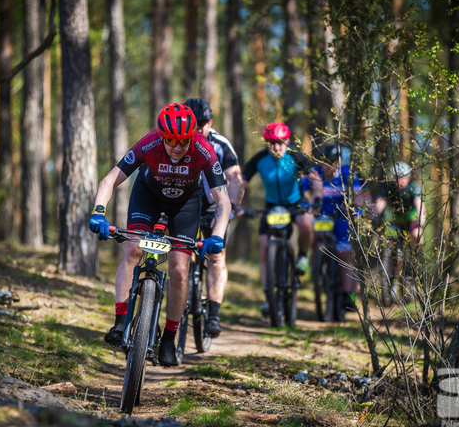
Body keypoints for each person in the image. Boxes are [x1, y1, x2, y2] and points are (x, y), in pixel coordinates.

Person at [89, 103, 232, 366]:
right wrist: (99, 212)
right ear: (161, 136)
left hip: (186, 206)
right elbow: (108, 180)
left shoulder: (203, 150)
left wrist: (218, 235)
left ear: (193, 137)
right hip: (148, 198)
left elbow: (224, 201)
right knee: (133, 250)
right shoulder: (148, 144)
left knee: (179, 270)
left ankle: (169, 337)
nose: (177, 147)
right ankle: (121, 322)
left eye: (183, 141)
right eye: (170, 141)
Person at [240, 122, 321, 315]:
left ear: (287, 141)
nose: (276, 147)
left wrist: (316, 201)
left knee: (306, 223)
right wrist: (236, 205)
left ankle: (302, 256)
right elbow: (241, 182)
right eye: (271, 143)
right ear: (266, 143)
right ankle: (269, 299)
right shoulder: (260, 158)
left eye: (280, 142)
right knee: (264, 245)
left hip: (295, 202)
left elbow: (315, 177)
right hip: (272, 205)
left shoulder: (295, 156)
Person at [183, 98, 244, 337]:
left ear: (210, 123)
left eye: (201, 124)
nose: (196, 128)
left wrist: (233, 207)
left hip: (213, 207)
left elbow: (236, 179)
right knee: (181, 254)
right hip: (185, 204)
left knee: (216, 257)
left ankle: (214, 315)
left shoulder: (220, 144)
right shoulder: (179, 139)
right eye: (192, 123)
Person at [308, 144, 368, 306]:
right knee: (315, 236)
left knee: (346, 252)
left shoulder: (348, 174)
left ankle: (348, 295)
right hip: (322, 217)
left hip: (342, 219)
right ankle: (318, 266)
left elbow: (358, 197)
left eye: (335, 162)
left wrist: (357, 208)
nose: (331, 165)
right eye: (327, 162)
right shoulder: (315, 173)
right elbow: (304, 193)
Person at [374, 160, 426, 245]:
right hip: (396, 221)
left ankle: (416, 255)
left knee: (417, 235)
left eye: (402, 177)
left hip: (411, 220)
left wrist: (420, 221)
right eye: (396, 177)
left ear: (408, 178)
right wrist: (375, 215)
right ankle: (394, 257)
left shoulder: (413, 187)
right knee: (391, 242)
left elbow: (420, 205)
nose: (399, 180)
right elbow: (380, 202)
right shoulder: (389, 187)